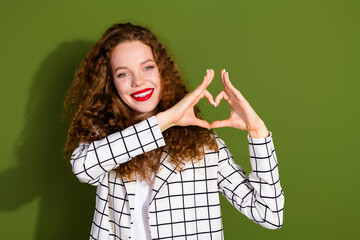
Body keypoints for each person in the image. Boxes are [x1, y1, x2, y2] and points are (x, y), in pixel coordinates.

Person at [64, 22, 284, 240]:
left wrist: (258, 133)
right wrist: (167, 119)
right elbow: (83, 169)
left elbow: (270, 214)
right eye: (123, 74)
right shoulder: (104, 137)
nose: (138, 81)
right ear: (110, 82)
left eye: (147, 67)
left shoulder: (204, 144)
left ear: (163, 71)